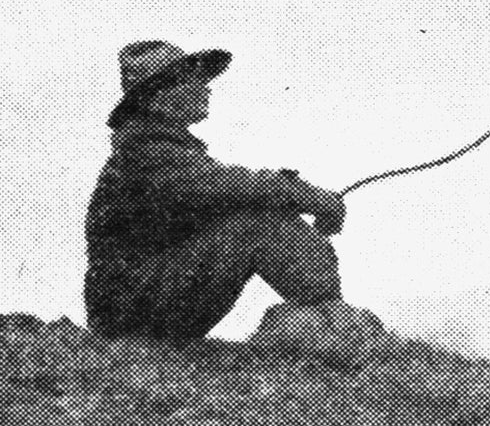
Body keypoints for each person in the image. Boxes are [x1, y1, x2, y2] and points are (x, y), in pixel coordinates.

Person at [85, 39, 349, 340]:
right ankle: (331, 323)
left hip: (139, 305)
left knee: (259, 211)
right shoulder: (146, 152)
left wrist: (299, 196)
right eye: (192, 80)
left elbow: (227, 188)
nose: (206, 88)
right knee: (258, 224)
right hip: (131, 316)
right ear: (158, 96)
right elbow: (230, 186)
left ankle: (328, 318)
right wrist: (311, 197)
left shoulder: (155, 146)